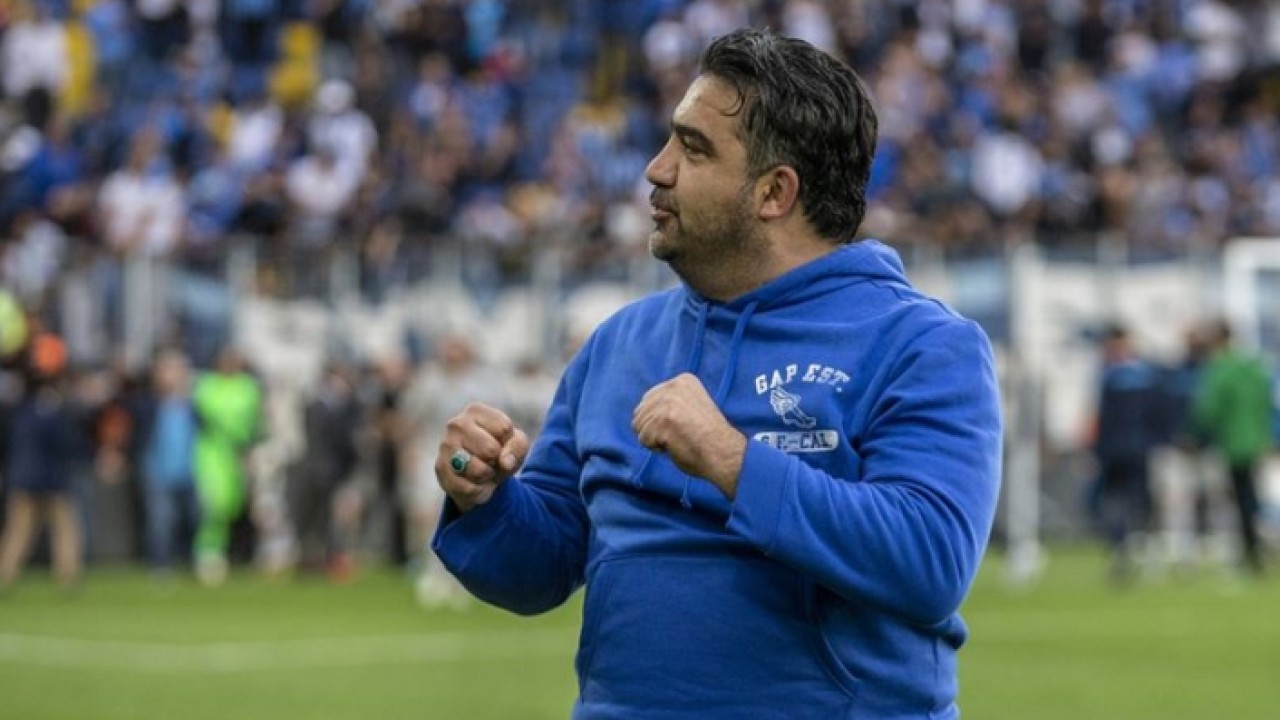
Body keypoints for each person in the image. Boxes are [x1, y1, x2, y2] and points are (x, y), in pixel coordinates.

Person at [431, 28, 1002, 719]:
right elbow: (539, 569)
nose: (656, 168)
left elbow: (930, 561)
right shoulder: (619, 343)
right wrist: (484, 497)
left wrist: (732, 460)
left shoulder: (922, 345)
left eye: (693, 148)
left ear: (774, 191)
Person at [1193, 318, 1273, 576]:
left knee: (1239, 498)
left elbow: (1209, 408)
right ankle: (1256, 548)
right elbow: (1267, 402)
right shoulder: (1253, 366)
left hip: (1232, 442)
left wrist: (1193, 435)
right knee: (1252, 496)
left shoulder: (1221, 368)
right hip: (1257, 440)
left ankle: (1250, 551)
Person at [1090, 323, 1162, 584]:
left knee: (1127, 502)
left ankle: (1132, 548)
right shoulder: (1135, 374)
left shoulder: (1117, 376)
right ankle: (1128, 548)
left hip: (1126, 450)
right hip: (1128, 450)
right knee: (1126, 502)